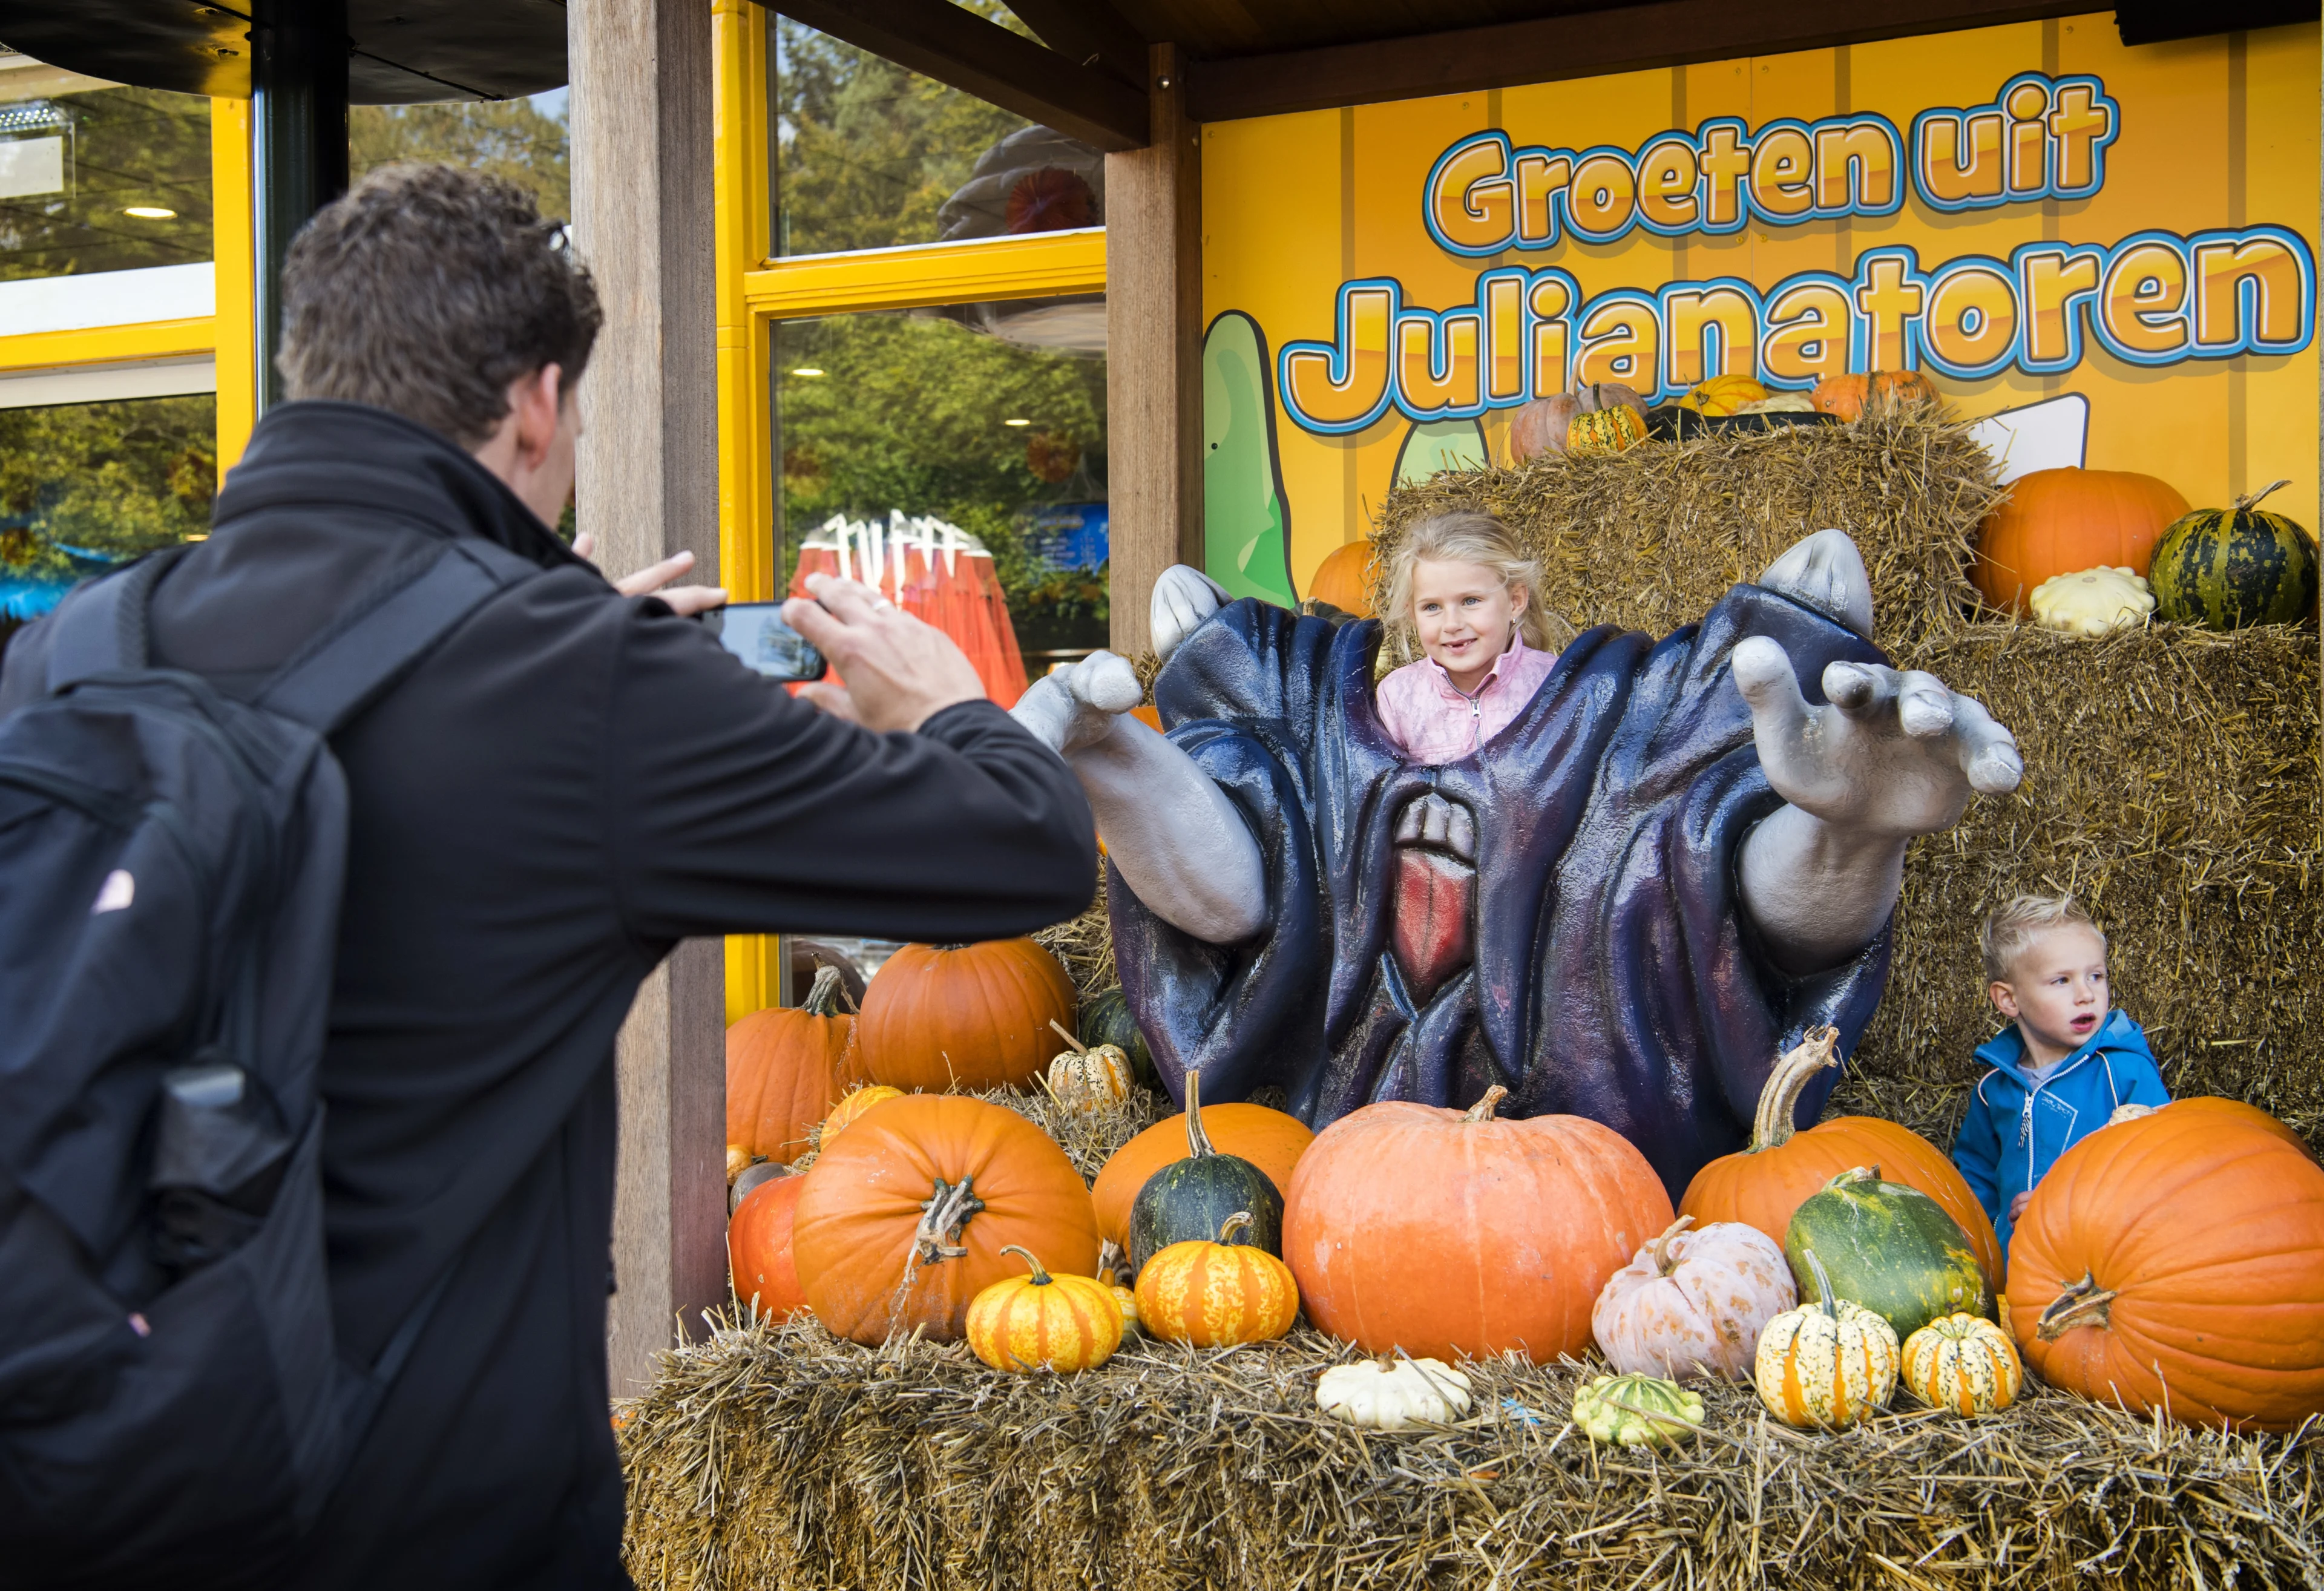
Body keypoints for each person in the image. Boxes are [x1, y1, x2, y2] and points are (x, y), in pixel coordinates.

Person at [0, 164, 1094, 1588]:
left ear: (304, 369)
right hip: (428, 1515)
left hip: (96, 1477)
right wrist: (940, 696)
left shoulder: (73, 651)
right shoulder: (579, 683)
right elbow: (1024, 843)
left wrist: (574, 659)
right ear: (534, 402)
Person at [1951, 891, 2168, 1259]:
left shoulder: (2123, 1073)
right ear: (2008, 1000)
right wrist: (1983, 1248)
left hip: (2104, 1261)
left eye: (2096, 976)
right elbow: (1977, 1177)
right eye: (2061, 981)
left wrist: (2065, 1207)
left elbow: (2161, 1169)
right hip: (2016, 1267)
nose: (2086, 995)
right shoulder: (1995, 1090)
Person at [1371, 511, 1562, 764]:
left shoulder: (1555, 683)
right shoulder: (1398, 696)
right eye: (1431, 607)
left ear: (1515, 601)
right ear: (1412, 614)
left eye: (1470, 601)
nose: (1451, 624)